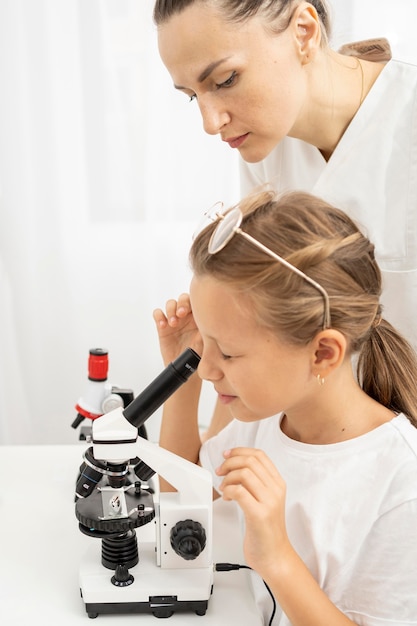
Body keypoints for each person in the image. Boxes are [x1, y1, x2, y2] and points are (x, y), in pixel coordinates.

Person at [152, 0, 417, 437]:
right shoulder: (264, 142)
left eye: (225, 80)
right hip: (323, 446)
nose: (210, 121)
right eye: (193, 96)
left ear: (303, 32)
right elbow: (253, 330)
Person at [153, 190, 417, 626]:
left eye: (230, 354)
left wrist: (275, 555)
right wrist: (179, 379)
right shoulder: (269, 423)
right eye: (205, 344)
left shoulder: (400, 484)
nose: (208, 369)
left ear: (322, 354)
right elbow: (184, 494)